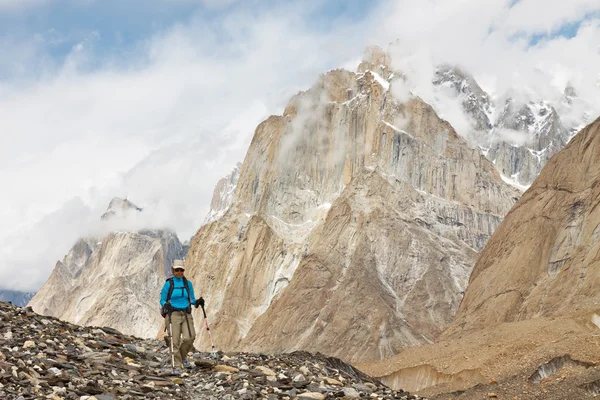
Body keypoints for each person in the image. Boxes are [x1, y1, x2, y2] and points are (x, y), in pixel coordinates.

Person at [160, 259, 204, 371]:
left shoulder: (187, 284)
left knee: (190, 337)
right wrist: (165, 305)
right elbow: (162, 299)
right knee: (174, 341)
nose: (179, 272)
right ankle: (178, 366)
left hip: (186, 314)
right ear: (173, 270)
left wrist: (198, 302)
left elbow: (192, 299)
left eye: (181, 270)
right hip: (173, 314)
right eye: (177, 270)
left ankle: (180, 357)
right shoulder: (168, 284)